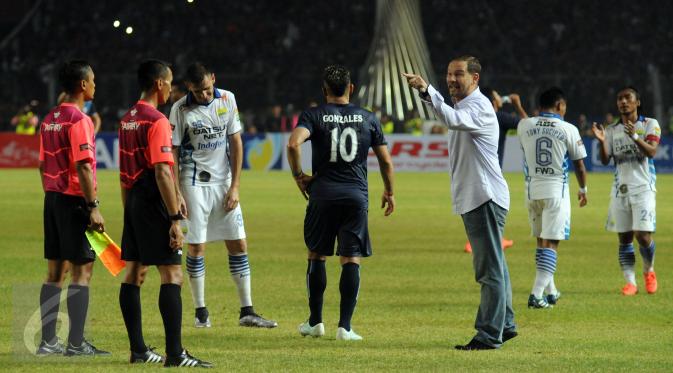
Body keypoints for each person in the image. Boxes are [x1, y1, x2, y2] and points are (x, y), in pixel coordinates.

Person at [403, 55, 516, 350]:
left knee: (488, 270)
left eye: (459, 75)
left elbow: (450, 120)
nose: (452, 79)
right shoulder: (465, 106)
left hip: (484, 197)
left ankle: (489, 335)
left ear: (475, 79)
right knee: (496, 266)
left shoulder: (478, 108)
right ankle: (505, 323)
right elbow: (450, 117)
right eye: (449, 74)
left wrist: (427, 90)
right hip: (480, 196)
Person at [287, 64, 395, 341]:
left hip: (322, 195)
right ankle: (345, 328)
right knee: (351, 258)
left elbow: (292, 144)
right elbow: (385, 160)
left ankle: (315, 323)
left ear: (324, 91)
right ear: (351, 88)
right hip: (356, 196)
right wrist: (389, 191)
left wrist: (300, 176)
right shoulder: (368, 118)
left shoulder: (313, 115)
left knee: (316, 255)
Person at [118, 59, 212, 367]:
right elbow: (161, 171)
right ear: (159, 84)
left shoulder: (127, 119)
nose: (171, 90)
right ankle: (176, 354)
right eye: (169, 83)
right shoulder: (156, 120)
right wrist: (174, 219)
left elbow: (123, 171)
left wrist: (128, 211)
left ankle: (139, 350)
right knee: (171, 273)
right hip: (153, 201)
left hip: (133, 200)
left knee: (134, 273)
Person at [170, 62, 277, 328]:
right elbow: (171, 153)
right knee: (196, 247)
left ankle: (247, 311)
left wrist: (235, 186)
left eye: (207, 89)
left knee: (238, 243)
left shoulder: (227, 99)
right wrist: (177, 192)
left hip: (224, 184)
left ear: (214, 79)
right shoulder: (180, 109)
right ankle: (201, 312)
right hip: (193, 183)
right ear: (188, 88)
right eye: (198, 92)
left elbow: (235, 141)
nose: (204, 95)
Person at [36, 60, 109, 356]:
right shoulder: (80, 120)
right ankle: (76, 344)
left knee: (54, 272)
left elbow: (42, 164)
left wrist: (53, 194)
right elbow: (82, 165)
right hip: (74, 201)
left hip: (52, 199)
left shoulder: (49, 118)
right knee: (82, 272)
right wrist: (92, 206)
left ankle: (47, 342)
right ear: (82, 85)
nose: (95, 85)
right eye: (92, 81)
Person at [517, 87, 588, 308]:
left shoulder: (524, 125)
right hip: (556, 190)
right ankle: (536, 295)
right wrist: (583, 189)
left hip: (532, 191)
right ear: (559, 106)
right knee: (552, 243)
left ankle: (551, 291)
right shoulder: (569, 129)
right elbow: (579, 164)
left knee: (541, 241)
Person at [591, 87, 660, 296]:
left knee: (643, 235)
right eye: (620, 99)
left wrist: (635, 137)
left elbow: (652, 151)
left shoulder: (650, 124)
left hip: (643, 187)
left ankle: (649, 270)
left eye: (627, 98)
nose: (623, 102)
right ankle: (630, 282)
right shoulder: (612, 129)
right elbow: (605, 160)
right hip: (620, 188)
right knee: (625, 238)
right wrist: (602, 141)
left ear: (637, 102)